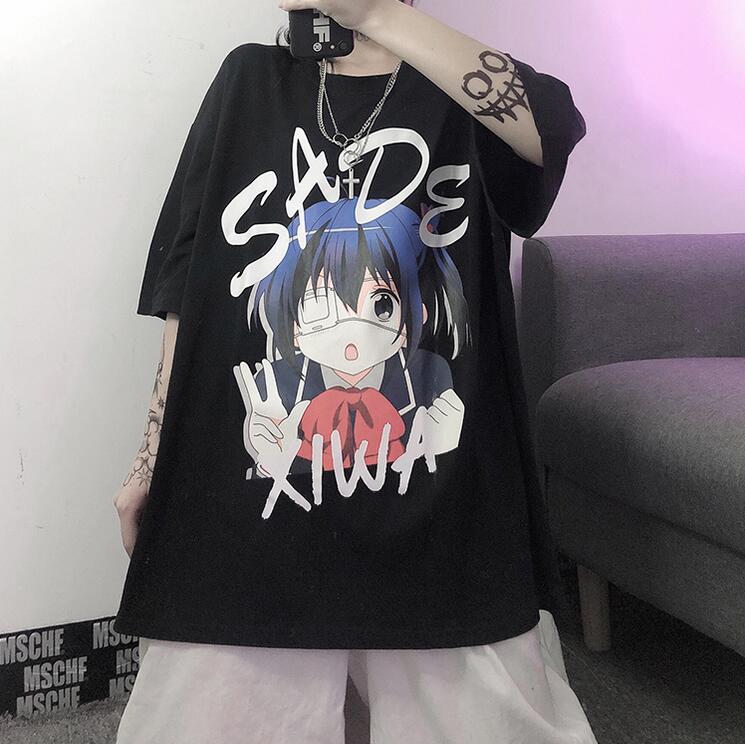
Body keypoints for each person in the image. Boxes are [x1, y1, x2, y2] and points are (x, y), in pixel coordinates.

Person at [113, 0, 595, 741]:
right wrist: (151, 456)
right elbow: (185, 288)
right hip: (256, 505)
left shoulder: (456, 84)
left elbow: (551, 127)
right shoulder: (246, 81)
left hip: (440, 504)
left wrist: (372, 13)